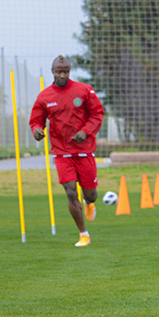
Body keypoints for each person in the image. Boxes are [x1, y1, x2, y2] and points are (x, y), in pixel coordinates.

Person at [30, 55, 104, 247]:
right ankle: (83, 234)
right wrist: (37, 130)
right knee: (71, 192)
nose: (62, 75)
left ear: (69, 71)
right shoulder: (44, 97)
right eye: (59, 72)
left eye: (65, 72)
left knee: (91, 194)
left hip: (84, 151)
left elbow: (97, 113)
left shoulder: (84, 90)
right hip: (62, 153)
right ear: (52, 72)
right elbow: (36, 120)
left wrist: (86, 131)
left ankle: (89, 203)